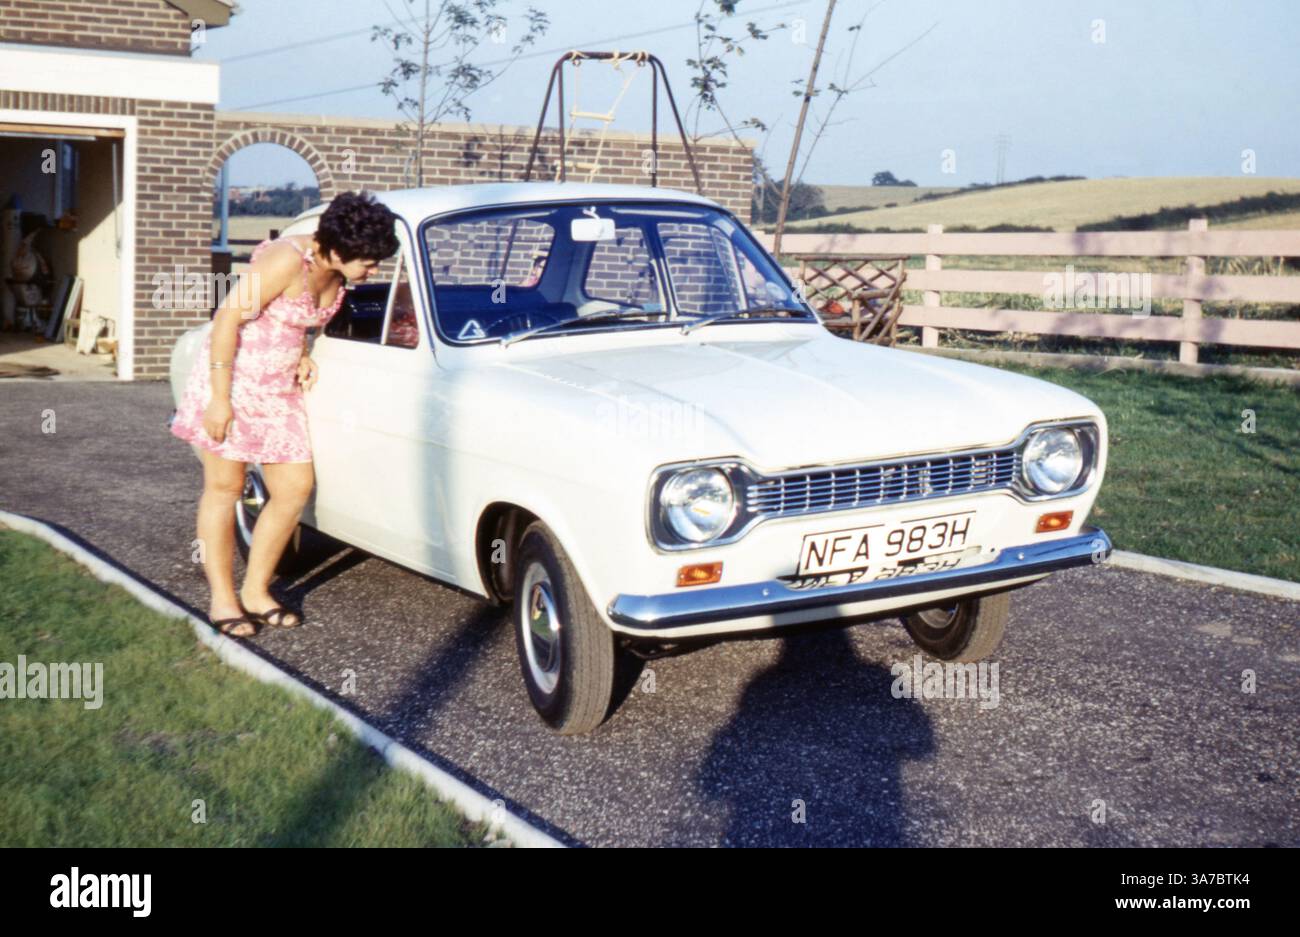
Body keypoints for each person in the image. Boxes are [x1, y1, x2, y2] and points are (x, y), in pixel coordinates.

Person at [169, 191, 399, 636]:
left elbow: (296, 320)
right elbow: (227, 320)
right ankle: (222, 599)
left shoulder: (337, 268)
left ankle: (256, 590)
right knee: (225, 488)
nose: (374, 270)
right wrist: (219, 399)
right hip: (232, 382)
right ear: (334, 248)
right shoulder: (285, 259)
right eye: (368, 261)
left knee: (294, 488)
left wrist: (305, 351)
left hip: (279, 390)